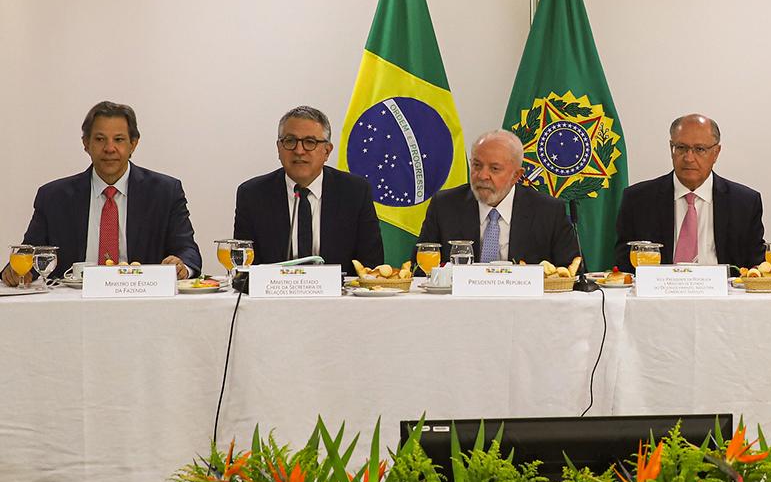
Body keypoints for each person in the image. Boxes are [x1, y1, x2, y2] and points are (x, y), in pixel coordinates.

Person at [2, 101, 201, 285]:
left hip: (142, 301)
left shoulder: (165, 192)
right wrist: (17, 271)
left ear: (133, 144)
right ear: (86, 143)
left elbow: (188, 250)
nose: (109, 148)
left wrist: (181, 266)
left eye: (119, 139)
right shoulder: (54, 197)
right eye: (100, 139)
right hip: (71, 307)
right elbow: (29, 255)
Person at [234, 106, 384, 268]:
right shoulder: (252, 195)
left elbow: (370, 266)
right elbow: (244, 267)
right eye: (290, 141)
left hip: (338, 292)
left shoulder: (355, 192)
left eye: (309, 142)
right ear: (279, 148)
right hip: (274, 291)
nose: (299, 150)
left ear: (327, 151)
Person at [614, 114, 765, 270]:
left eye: (699, 149)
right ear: (671, 148)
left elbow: (755, 267)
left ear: (716, 152)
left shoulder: (744, 203)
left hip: (723, 293)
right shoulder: (638, 200)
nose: (689, 158)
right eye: (681, 148)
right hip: (659, 292)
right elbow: (625, 265)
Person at [416, 129, 579, 266]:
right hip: (460, 302)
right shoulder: (445, 206)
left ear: (516, 175)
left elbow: (573, 274)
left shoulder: (548, 212)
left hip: (525, 303)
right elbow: (418, 270)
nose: (482, 175)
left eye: (494, 168)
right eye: (477, 165)